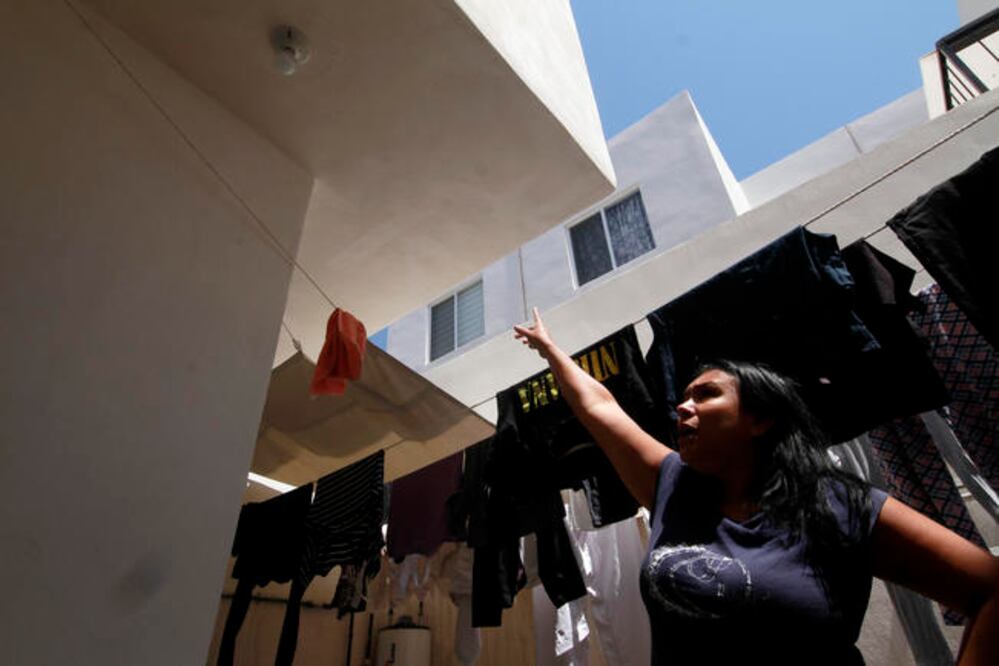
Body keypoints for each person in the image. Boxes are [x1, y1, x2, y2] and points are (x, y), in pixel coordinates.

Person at [513, 307, 999, 665]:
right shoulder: (672, 487)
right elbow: (602, 409)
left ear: (761, 419)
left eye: (705, 395)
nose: (683, 408)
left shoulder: (837, 502)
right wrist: (551, 350)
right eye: (682, 398)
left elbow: (989, 589)